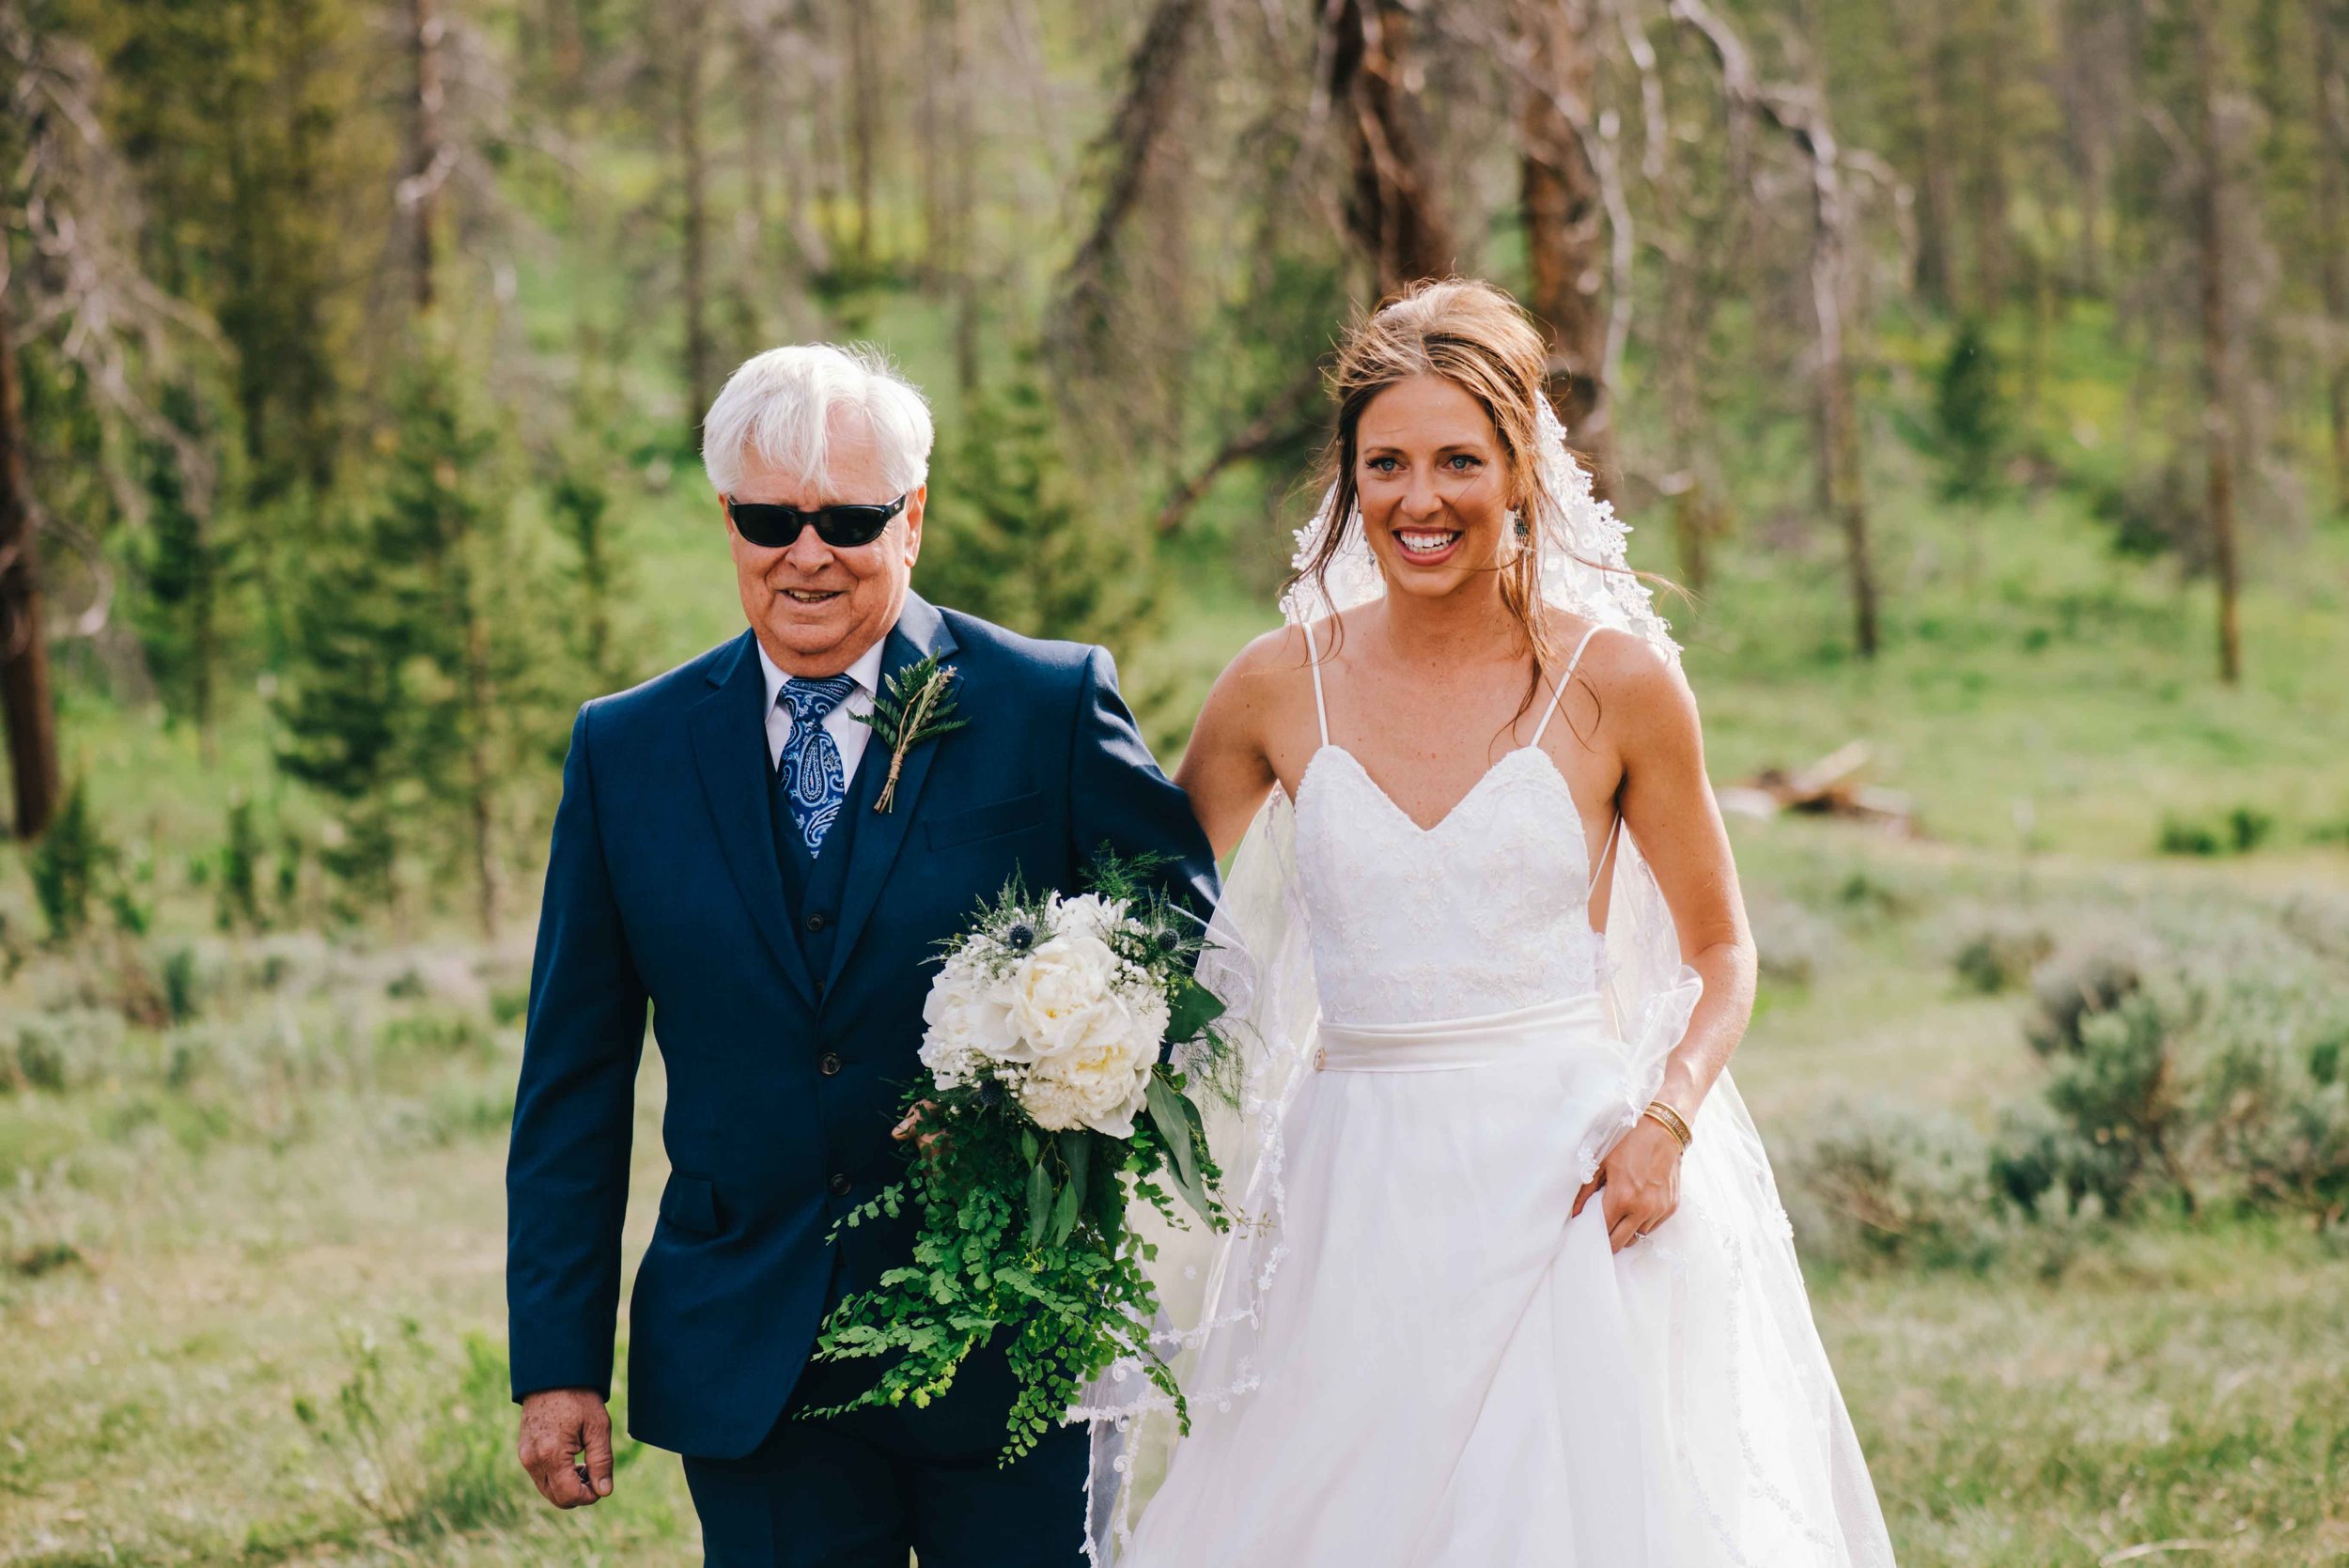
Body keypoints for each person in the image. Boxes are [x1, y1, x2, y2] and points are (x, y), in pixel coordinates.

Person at [1105, 279, 1895, 1565]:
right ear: (1348, 479)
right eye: (1388, 464)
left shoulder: (1618, 684)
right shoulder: (1272, 687)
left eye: (1459, 460)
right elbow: (1140, 927)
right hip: (1352, 1186)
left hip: (1569, 1181)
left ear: (1523, 465)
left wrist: (1670, 1115)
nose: (1422, 499)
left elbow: (1719, 949)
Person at [505, 344, 1217, 1568]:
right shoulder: (626, 751)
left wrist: (1044, 1075)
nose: (808, 551)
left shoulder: (1048, 705)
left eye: (847, 516)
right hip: (754, 1355)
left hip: (1009, 1340)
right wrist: (558, 1361)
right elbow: (572, 1079)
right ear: (727, 519)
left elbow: (1179, 929)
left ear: (914, 517)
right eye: (772, 517)